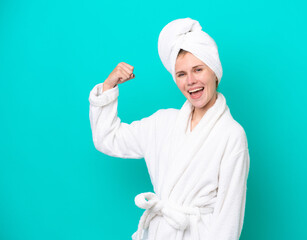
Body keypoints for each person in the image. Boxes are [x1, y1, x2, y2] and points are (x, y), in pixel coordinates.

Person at [88, 17, 250, 240]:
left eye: (198, 69)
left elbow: (228, 219)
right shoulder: (162, 123)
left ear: (214, 71)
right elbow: (108, 138)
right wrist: (109, 87)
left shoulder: (231, 135)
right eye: (181, 74)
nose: (190, 81)